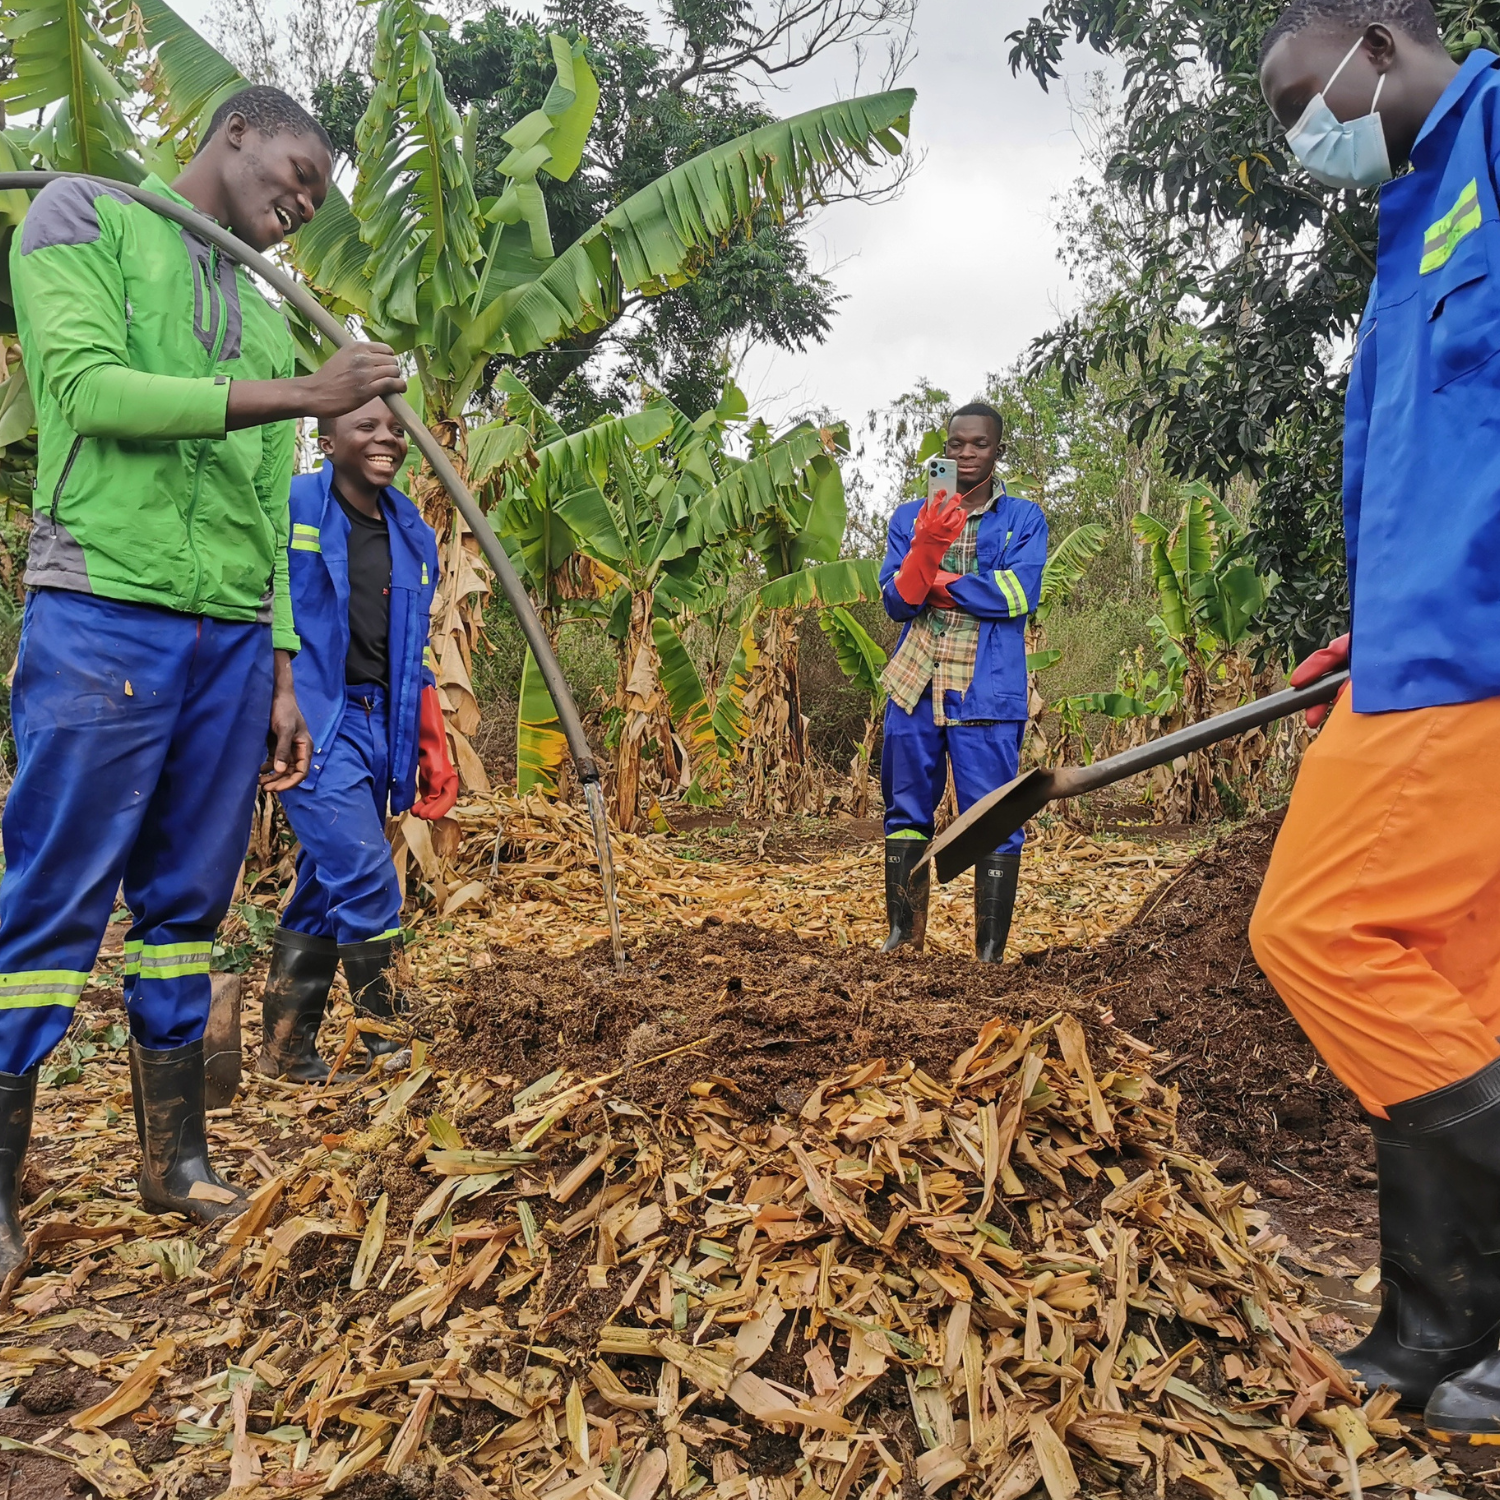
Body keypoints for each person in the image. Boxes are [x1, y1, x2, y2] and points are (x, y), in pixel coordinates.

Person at [0, 84, 406, 1264]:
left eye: (319, 195)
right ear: (235, 132)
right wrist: (312, 394)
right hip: (106, 611)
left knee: (186, 906)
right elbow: (88, 392)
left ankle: (173, 1159)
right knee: (55, 895)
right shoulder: (83, 216)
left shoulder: (266, 313)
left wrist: (279, 671)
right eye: (297, 173)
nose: (304, 203)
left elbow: (265, 509)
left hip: (228, 637)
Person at [1253, 0, 1500, 1439]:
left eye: (1305, 104)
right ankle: (1446, 1326)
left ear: (1378, 45)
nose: (1306, 138)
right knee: (1456, 984)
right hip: (1416, 640)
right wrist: (1368, 624)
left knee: (1317, 928)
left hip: (1473, 650)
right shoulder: (1416, 211)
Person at [259, 400, 457, 1082]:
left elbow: (411, 650)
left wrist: (429, 739)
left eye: (396, 429)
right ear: (327, 439)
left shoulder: (410, 531)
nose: (386, 439)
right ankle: (396, 1048)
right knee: (366, 875)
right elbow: (259, 608)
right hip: (313, 721)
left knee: (325, 882)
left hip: (380, 723)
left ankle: (286, 1051)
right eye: (367, 426)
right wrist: (274, 703)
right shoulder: (291, 507)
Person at [877, 404, 1047, 962]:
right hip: (915, 684)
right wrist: (927, 545)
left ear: (998, 450)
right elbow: (897, 601)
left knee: (994, 816)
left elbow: (1017, 595)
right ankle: (903, 938)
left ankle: (989, 955)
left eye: (980, 444)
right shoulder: (910, 517)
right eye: (957, 444)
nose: (967, 453)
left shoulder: (1023, 518)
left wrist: (935, 579)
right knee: (906, 811)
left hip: (986, 688)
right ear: (944, 449)